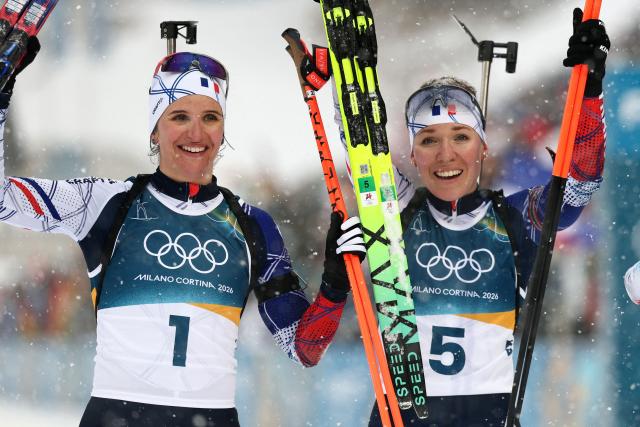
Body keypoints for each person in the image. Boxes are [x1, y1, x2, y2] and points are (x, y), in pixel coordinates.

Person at [0, 41, 366, 426]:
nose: (197, 132)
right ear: (155, 129)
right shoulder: (105, 203)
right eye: (179, 117)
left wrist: (334, 284)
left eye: (211, 117)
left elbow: (303, 348)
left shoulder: (252, 224)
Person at [332, 8, 608, 427]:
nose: (446, 154)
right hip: (402, 415)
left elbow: (578, 187)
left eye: (460, 137)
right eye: (428, 140)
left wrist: (589, 91)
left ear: (483, 147)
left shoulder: (515, 218)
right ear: (412, 154)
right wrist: (344, 70)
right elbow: (359, 149)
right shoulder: (396, 209)